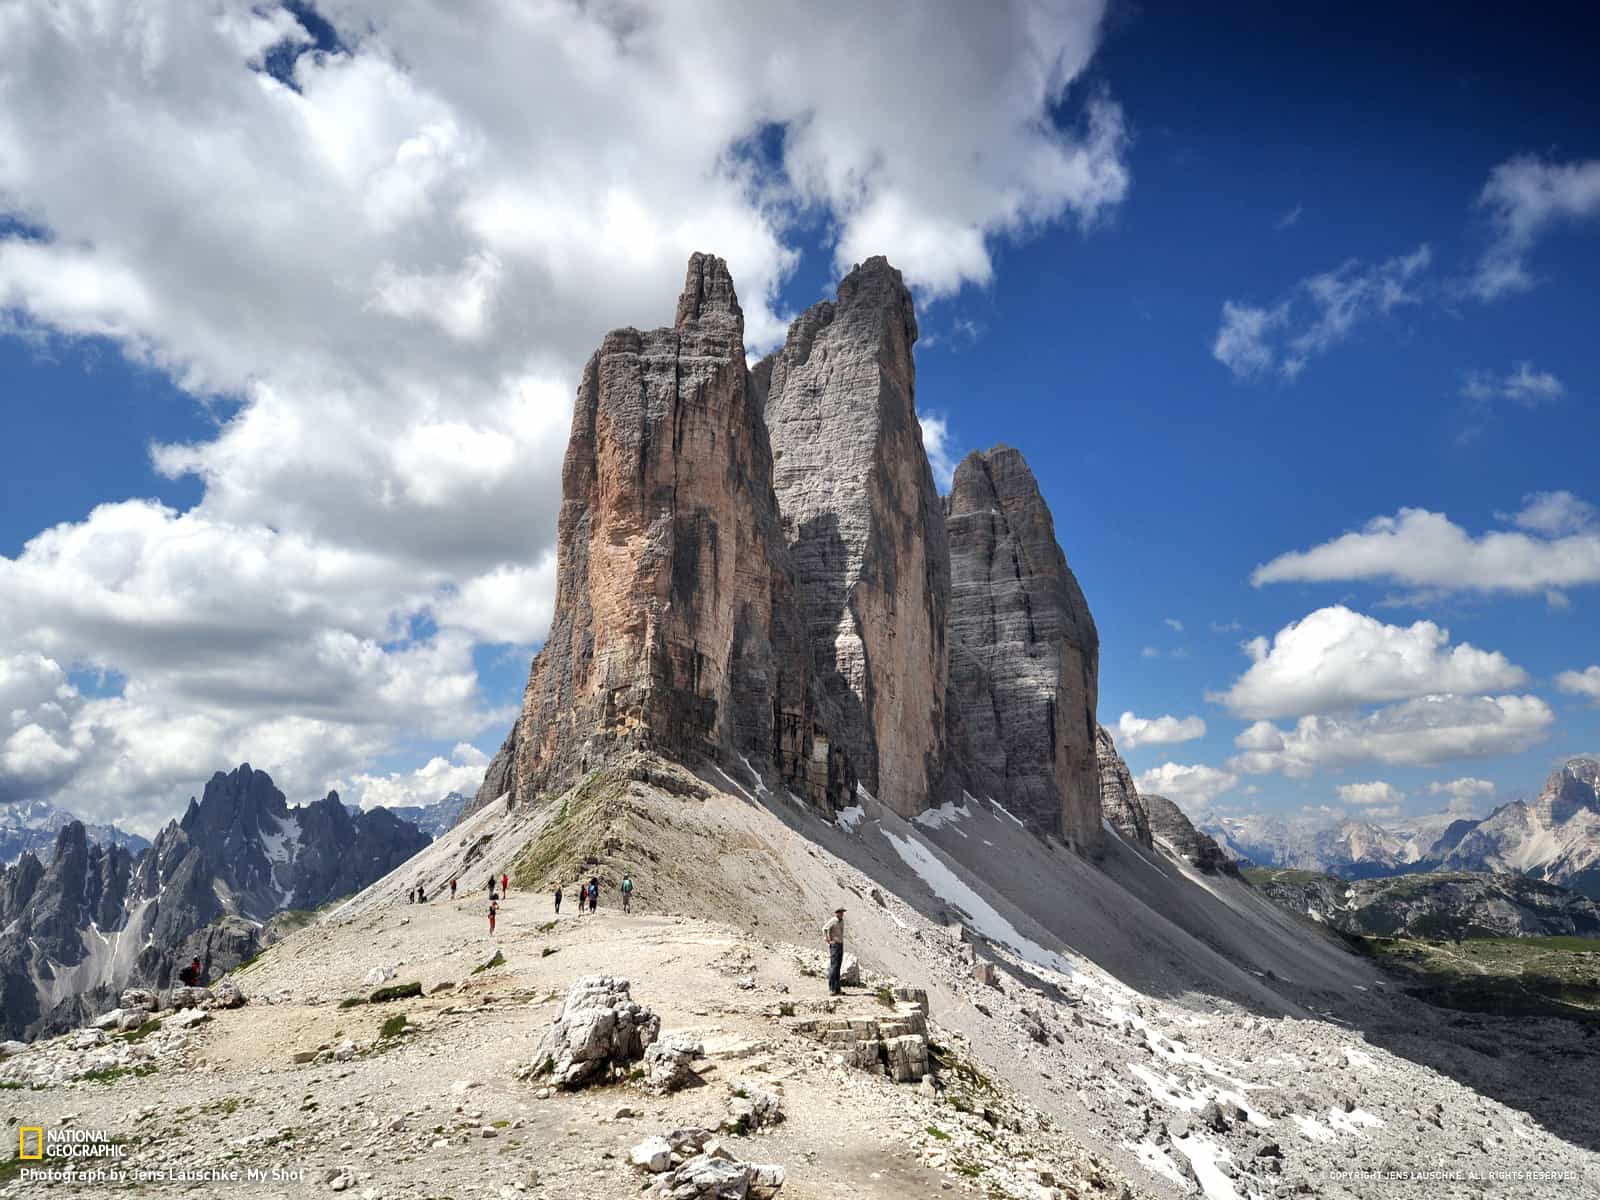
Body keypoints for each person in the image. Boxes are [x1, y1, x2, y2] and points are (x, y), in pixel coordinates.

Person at [824, 907, 846, 996]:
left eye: (843, 913)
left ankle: (837, 989)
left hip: (840, 944)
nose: (842, 914)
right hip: (835, 945)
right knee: (834, 966)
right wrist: (828, 940)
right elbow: (825, 928)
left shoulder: (842, 921)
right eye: (840, 913)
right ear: (837, 913)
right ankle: (832, 988)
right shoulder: (833, 920)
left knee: (838, 966)